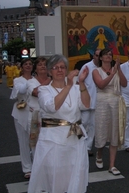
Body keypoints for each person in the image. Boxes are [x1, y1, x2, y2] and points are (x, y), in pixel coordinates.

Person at [28, 54, 91, 193]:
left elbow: (86, 104)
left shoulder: (75, 88)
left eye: (62, 67)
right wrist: (68, 86)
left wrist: (81, 83)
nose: (59, 70)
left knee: (76, 174)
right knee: (55, 177)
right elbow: (52, 106)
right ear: (49, 71)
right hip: (53, 140)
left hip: (75, 138)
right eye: (55, 68)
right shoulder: (44, 90)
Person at [92, 48, 127, 175]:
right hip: (102, 101)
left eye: (110, 54)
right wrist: (112, 74)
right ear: (100, 58)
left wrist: (119, 70)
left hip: (115, 101)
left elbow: (124, 83)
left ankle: (112, 165)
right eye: (105, 54)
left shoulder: (116, 70)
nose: (108, 56)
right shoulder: (96, 71)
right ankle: (99, 153)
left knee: (114, 132)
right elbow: (101, 85)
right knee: (102, 130)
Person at [10, 59, 34, 179]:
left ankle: (37, 165)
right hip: (21, 111)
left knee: (35, 140)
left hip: (34, 112)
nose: (28, 66)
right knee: (23, 140)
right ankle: (27, 168)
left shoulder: (36, 79)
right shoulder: (18, 80)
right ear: (22, 67)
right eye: (26, 64)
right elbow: (22, 90)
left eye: (30, 64)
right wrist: (32, 83)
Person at [77, 48, 101, 156]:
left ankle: (87, 147)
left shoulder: (103, 68)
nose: (98, 57)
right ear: (93, 56)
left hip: (98, 101)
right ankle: (79, 144)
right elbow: (79, 82)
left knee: (93, 125)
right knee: (83, 123)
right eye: (96, 55)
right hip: (86, 100)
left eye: (100, 55)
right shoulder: (87, 67)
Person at [27, 57, 51, 153]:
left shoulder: (54, 82)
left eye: (45, 64)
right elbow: (36, 92)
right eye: (40, 65)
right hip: (35, 117)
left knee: (49, 144)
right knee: (36, 146)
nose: (42, 67)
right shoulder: (30, 82)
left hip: (49, 116)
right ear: (35, 68)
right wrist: (49, 80)